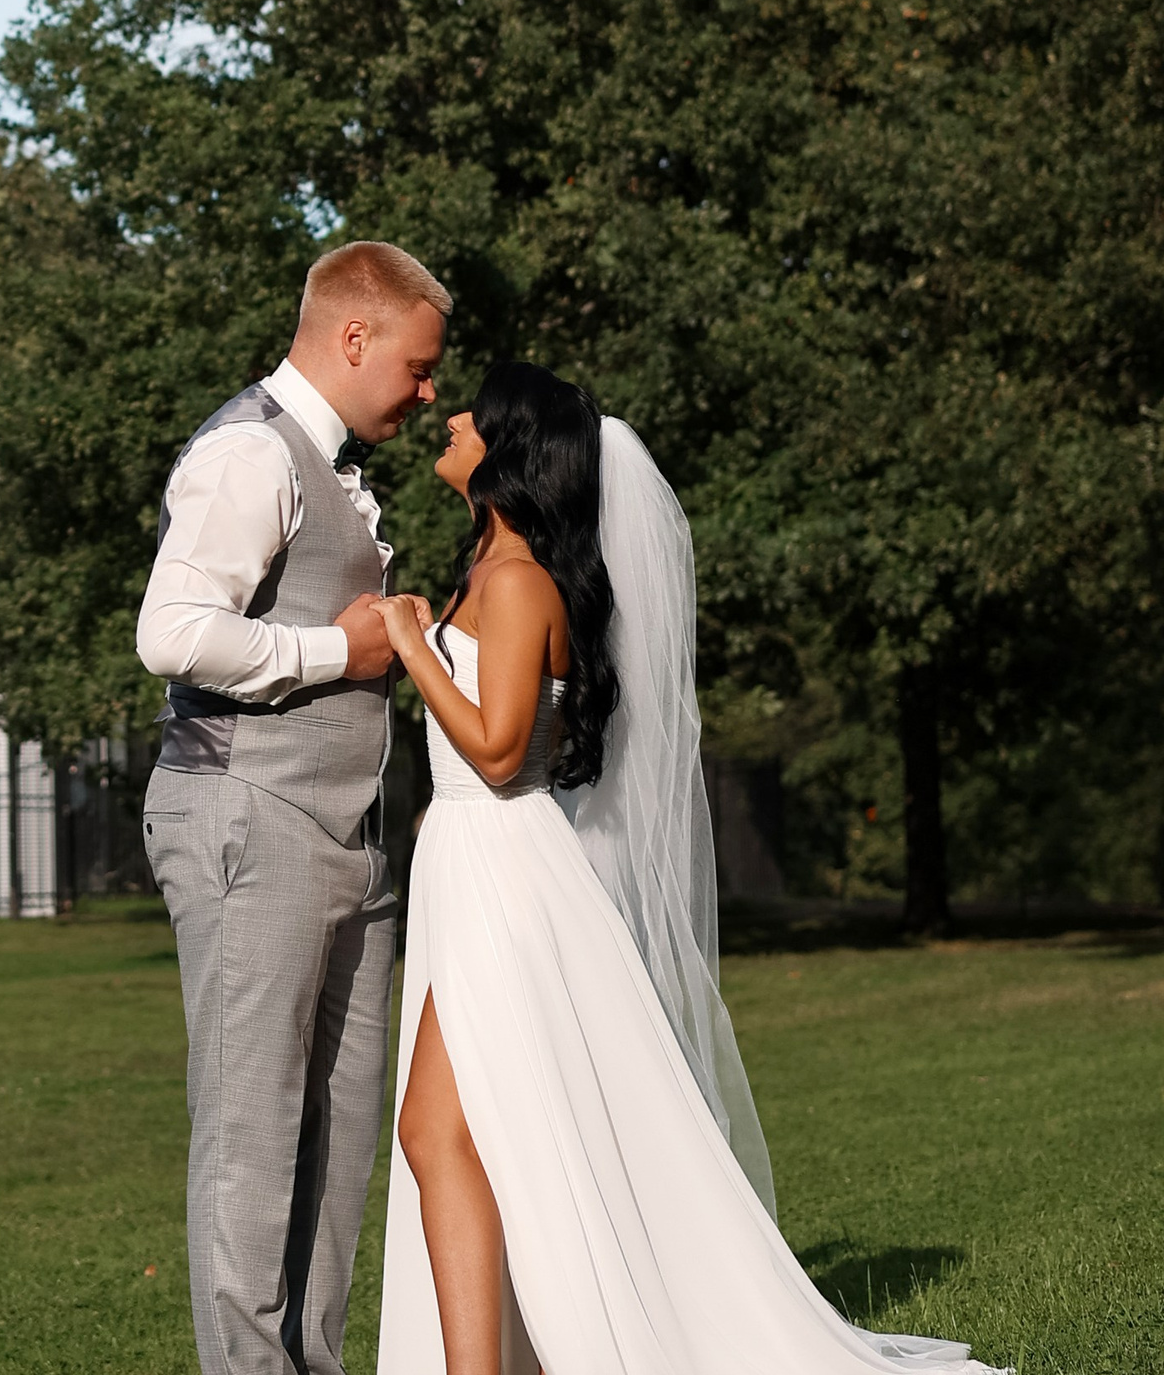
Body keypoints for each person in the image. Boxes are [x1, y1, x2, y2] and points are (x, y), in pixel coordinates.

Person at [374, 362, 1005, 1375]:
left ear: (509, 449)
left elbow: (496, 754)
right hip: (469, 863)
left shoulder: (520, 580)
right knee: (455, 1129)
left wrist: (409, 644)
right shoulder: (485, 571)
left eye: (473, 412)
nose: (448, 417)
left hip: (505, 867)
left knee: (435, 1128)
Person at [138, 238, 451, 1375]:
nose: (426, 393)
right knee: (254, 1139)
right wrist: (338, 645)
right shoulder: (248, 456)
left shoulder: (332, 467)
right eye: (415, 369)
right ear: (352, 336)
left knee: (342, 1137)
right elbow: (169, 633)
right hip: (245, 816)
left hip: (348, 838)